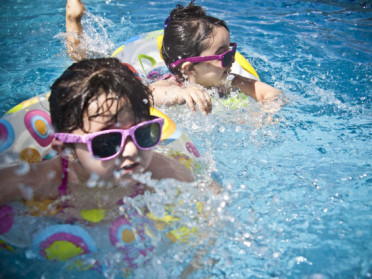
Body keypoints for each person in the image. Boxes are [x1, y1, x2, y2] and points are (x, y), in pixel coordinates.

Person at [0, 58, 194, 222]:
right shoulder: (38, 182)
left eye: (142, 132)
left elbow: (212, 197)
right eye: (107, 142)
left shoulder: (159, 171)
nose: (131, 151)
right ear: (66, 149)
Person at [65, 0, 282, 115]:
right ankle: (73, 20)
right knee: (87, 69)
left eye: (231, 51)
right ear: (189, 69)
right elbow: (145, 95)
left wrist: (268, 111)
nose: (232, 61)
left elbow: (267, 92)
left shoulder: (229, 80)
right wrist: (179, 94)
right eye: (223, 56)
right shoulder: (172, 83)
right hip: (147, 76)